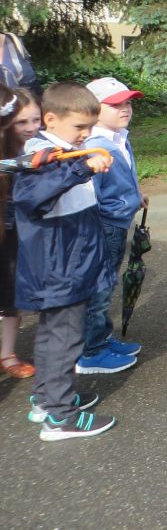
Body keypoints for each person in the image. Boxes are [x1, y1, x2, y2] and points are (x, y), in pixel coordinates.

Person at [12, 82, 117, 439]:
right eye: (79, 127)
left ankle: (48, 399)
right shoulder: (41, 156)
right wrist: (80, 169)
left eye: (90, 127)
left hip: (72, 261)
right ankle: (60, 417)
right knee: (65, 338)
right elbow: (31, 198)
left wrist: (79, 164)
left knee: (54, 335)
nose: (86, 134)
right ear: (51, 119)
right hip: (60, 267)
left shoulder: (67, 152)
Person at [76, 77, 147, 375]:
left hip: (117, 222)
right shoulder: (95, 146)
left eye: (128, 102)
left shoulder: (118, 137)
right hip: (106, 227)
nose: (125, 108)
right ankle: (91, 352)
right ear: (93, 110)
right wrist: (115, 210)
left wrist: (135, 195)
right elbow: (91, 194)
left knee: (107, 284)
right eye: (115, 104)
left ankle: (101, 338)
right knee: (100, 289)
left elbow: (119, 179)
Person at [1, 88, 40, 379]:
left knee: (11, 292)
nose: (29, 127)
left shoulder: (38, 147)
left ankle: (7, 353)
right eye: (21, 122)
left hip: (16, 232)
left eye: (35, 120)